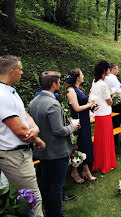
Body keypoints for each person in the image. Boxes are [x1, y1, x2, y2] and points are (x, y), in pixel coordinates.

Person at [29, 70, 79, 217]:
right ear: (53, 84)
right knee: (56, 186)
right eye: (58, 82)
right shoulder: (52, 104)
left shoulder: (33, 102)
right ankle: (56, 213)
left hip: (41, 150)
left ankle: (46, 209)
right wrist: (73, 127)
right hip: (57, 151)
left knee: (45, 183)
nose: (60, 84)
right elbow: (58, 130)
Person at [0, 55, 45, 217]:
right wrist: (35, 137)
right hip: (14, 155)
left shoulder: (10, 92)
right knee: (33, 199)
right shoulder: (3, 95)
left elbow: (24, 114)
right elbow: (20, 131)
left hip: (18, 153)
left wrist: (35, 129)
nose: (22, 73)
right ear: (11, 72)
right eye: (20, 70)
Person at [65, 68, 96, 183]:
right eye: (82, 74)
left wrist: (91, 102)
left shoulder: (79, 89)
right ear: (77, 77)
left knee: (86, 145)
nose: (83, 76)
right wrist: (89, 105)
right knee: (79, 146)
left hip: (85, 120)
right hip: (78, 121)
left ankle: (85, 169)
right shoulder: (71, 90)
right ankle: (75, 172)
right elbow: (76, 108)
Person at [90, 60, 116, 173]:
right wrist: (113, 96)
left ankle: (99, 162)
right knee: (106, 139)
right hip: (105, 113)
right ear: (105, 71)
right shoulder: (103, 84)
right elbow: (109, 102)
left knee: (99, 140)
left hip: (98, 114)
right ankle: (106, 164)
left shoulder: (94, 83)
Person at [105, 63, 121, 147]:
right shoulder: (113, 78)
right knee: (117, 121)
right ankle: (116, 141)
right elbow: (118, 90)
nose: (118, 71)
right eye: (117, 69)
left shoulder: (105, 78)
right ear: (113, 70)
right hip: (116, 102)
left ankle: (112, 140)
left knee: (112, 121)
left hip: (108, 101)